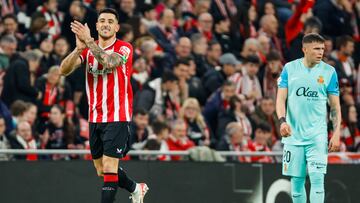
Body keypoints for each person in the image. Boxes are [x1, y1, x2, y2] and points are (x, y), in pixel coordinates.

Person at [59, 8, 148, 203]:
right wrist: (78, 49)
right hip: (95, 117)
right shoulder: (89, 51)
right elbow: (63, 70)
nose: (106, 24)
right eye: (102, 21)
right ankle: (135, 187)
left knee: (109, 167)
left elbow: (109, 63)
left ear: (116, 27)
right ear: (97, 25)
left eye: (110, 21)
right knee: (102, 171)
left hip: (117, 115)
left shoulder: (124, 48)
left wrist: (89, 41)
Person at [276, 33, 341, 203]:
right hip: (293, 136)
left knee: (317, 180)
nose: (321, 52)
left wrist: (336, 132)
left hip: (317, 136)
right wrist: (282, 121)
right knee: (296, 184)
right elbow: (280, 99)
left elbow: (335, 106)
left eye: (322, 49)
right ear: (304, 49)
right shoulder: (289, 69)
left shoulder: (329, 72)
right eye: (316, 49)